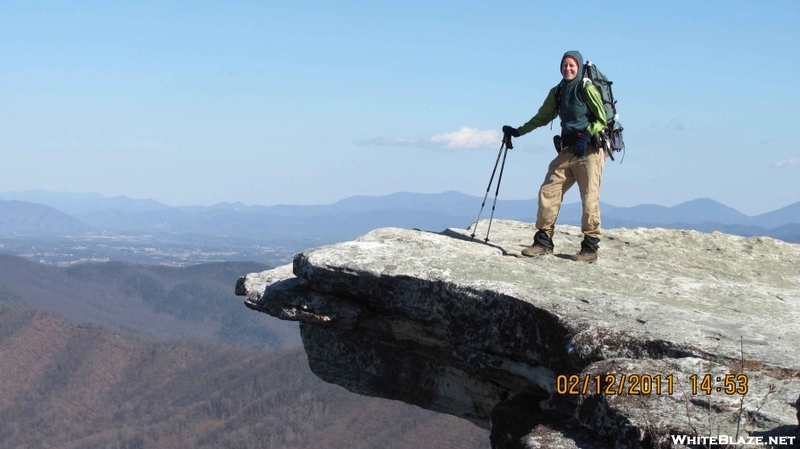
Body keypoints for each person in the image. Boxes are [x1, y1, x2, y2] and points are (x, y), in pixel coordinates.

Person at [503, 50, 608, 263]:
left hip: (590, 151)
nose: (567, 69)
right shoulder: (558, 91)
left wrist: (587, 134)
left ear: (578, 67)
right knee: (548, 190)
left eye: (572, 65)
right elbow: (542, 117)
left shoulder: (586, 88)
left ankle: (590, 248)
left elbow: (602, 119)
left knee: (589, 197)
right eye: (564, 65)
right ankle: (543, 241)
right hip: (568, 150)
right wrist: (518, 131)